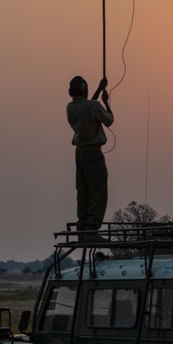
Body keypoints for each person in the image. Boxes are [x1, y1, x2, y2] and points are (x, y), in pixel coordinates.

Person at [66, 75, 114, 239]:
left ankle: (83, 225)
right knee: (99, 189)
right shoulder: (94, 106)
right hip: (93, 153)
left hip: (80, 153)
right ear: (85, 91)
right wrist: (106, 102)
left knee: (83, 189)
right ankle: (92, 227)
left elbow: (87, 108)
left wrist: (99, 89)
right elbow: (109, 120)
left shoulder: (70, 108)